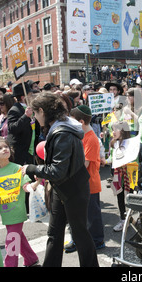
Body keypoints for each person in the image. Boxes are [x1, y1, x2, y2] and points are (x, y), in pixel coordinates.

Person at [21, 92, 98, 267]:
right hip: (62, 188)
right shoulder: (60, 127)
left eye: (35, 113)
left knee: (80, 234)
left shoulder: (62, 131)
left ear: (42, 111)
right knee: (54, 233)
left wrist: (31, 168)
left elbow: (57, 170)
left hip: (74, 189)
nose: (35, 117)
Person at [0, 137, 40, 267]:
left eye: (6, 147)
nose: (5, 149)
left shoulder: (17, 168)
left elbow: (26, 187)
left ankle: (10, 264)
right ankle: (31, 259)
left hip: (17, 212)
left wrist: (37, 182)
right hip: (5, 213)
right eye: (0, 148)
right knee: (17, 237)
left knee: (11, 241)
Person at [66, 105, 105, 252]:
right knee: (78, 215)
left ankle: (97, 240)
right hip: (79, 182)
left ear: (81, 122)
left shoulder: (91, 139)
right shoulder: (80, 135)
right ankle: (78, 240)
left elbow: (84, 163)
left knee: (91, 215)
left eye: (72, 121)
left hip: (89, 183)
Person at [7, 82, 40, 166]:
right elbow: (12, 128)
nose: (32, 96)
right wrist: (25, 116)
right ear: (23, 97)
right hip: (21, 150)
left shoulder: (31, 107)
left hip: (31, 147)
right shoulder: (14, 110)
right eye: (30, 94)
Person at [109, 121, 133, 232]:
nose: (113, 132)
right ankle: (123, 220)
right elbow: (111, 158)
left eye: (115, 130)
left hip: (129, 174)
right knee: (119, 197)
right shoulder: (114, 143)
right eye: (112, 130)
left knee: (131, 196)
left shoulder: (131, 143)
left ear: (123, 131)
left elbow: (134, 160)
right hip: (117, 174)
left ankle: (130, 217)